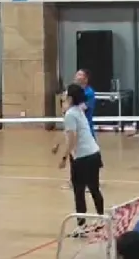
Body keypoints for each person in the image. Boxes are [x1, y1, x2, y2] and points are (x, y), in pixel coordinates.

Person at [59, 83, 105, 236]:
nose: (64, 95)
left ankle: (81, 225)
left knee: (79, 191)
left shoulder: (70, 114)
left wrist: (64, 157)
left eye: (66, 93)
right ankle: (101, 218)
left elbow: (72, 138)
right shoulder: (79, 110)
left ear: (71, 98)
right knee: (94, 188)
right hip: (94, 153)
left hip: (83, 157)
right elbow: (68, 132)